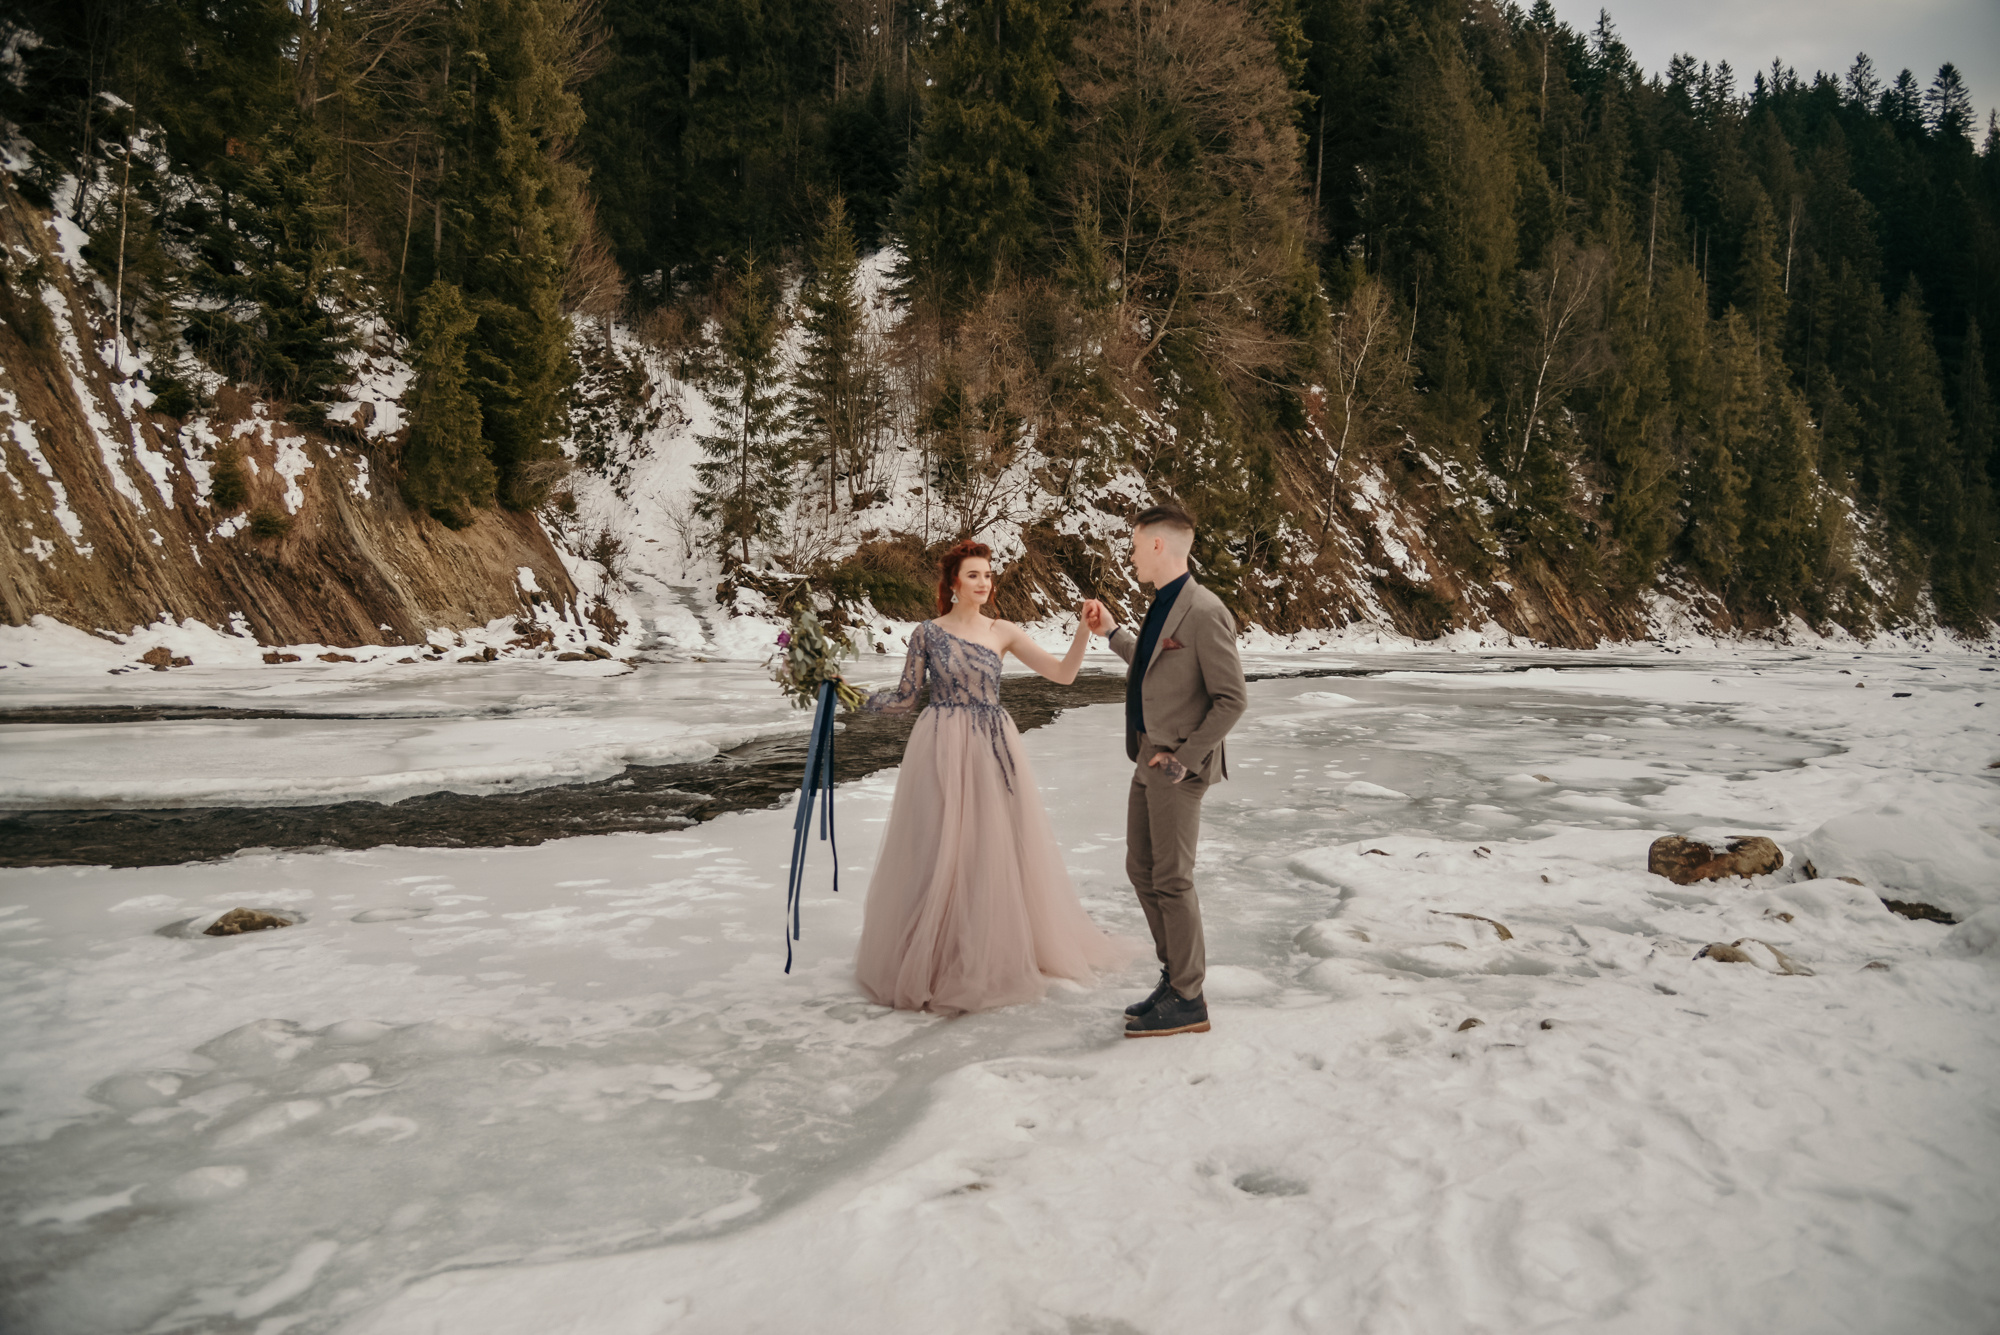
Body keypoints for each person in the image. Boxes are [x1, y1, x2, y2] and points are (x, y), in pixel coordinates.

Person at [854, 539, 1136, 1014]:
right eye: (973, 575)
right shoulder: (925, 632)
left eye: (988, 575)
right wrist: (851, 698)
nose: (983, 583)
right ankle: (938, 953)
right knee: (939, 845)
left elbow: (1064, 676)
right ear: (952, 583)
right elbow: (905, 698)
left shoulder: (1003, 631)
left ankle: (987, 949)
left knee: (988, 846)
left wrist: (1084, 632)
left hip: (990, 744)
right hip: (939, 742)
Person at [1080, 502, 1247, 1037]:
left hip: (1176, 766)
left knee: (1172, 878)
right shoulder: (1161, 606)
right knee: (1141, 869)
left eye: (1133, 546)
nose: (1130, 557)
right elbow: (1153, 664)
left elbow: (1231, 699)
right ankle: (1174, 975)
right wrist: (1111, 633)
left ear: (1157, 544)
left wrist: (1183, 759)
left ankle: (1189, 997)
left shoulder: (1204, 610)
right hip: (1147, 757)